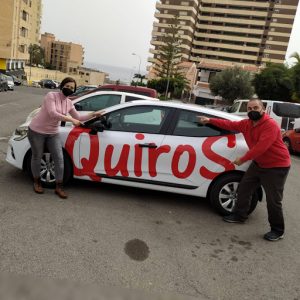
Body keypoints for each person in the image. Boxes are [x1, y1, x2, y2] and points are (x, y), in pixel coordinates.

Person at [197, 99, 291, 241]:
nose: (252, 110)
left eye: (256, 107)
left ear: (263, 109)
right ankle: (240, 216)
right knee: (244, 189)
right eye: (249, 108)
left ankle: (278, 230)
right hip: (259, 163)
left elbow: (261, 147)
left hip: (276, 166)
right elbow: (229, 124)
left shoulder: (270, 125)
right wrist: (209, 120)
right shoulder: (247, 124)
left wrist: (242, 159)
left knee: (274, 200)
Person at [28, 77, 102, 199]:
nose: (69, 89)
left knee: (59, 158)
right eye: (67, 86)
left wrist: (93, 114)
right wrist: (71, 119)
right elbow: (53, 113)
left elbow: (78, 116)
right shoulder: (51, 96)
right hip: (37, 131)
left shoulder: (69, 103)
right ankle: (37, 182)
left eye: (72, 88)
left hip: (53, 133)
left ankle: (59, 186)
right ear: (62, 86)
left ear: (74, 90)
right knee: (37, 156)